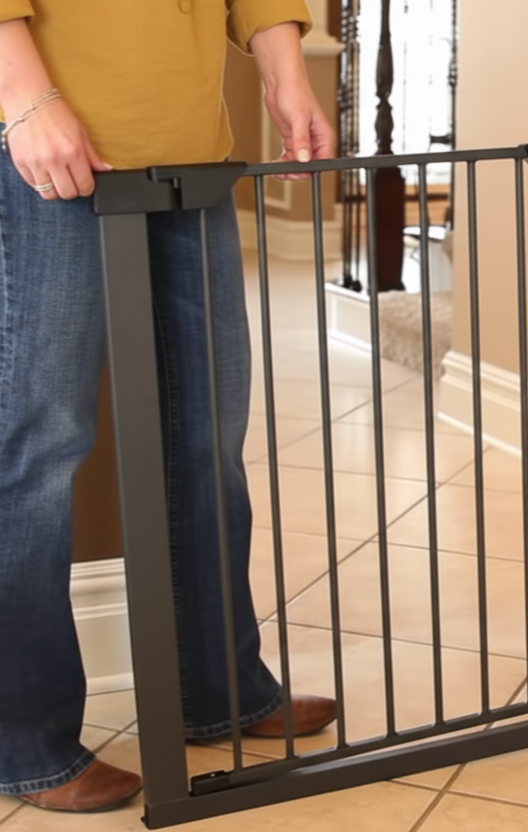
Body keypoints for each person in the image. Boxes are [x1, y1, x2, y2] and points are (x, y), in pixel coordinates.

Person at [0, 0, 337, 813]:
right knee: (41, 447)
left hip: (191, 151)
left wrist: (286, 74)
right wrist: (24, 99)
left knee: (207, 438)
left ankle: (218, 690)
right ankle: (22, 740)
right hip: (48, 145)